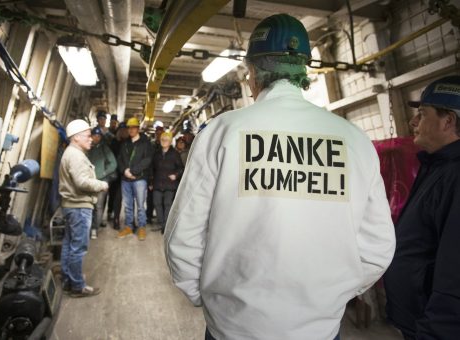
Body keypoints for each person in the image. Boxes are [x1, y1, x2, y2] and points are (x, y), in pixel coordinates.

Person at [164, 14, 395, 340]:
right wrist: (330, 298)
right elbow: (378, 248)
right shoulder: (354, 140)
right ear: (304, 71)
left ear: (252, 73)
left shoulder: (222, 132)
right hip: (321, 329)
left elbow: (182, 237)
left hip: (232, 329)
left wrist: (209, 298)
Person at [384, 75, 460, 340]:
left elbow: (454, 269)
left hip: (434, 328)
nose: (413, 122)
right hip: (417, 317)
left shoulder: (455, 175)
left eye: (423, 114)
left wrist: (435, 331)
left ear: (448, 121)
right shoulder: (437, 166)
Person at [59, 119, 108, 297]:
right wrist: (101, 184)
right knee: (78, 247)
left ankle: (68, 279)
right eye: (87, 136)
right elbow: (81, 182)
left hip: (71, 205)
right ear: (76, 137)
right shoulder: (76, 155)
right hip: (79, 206)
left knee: (69, 244)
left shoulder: (71, 152)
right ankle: (77, 287)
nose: (91, 139)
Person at [117, 117, 153, 240]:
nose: (131, 130)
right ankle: (128, 226)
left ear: (138, 128)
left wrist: (133, 171)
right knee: (127, 205)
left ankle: (141, 227)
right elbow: (120, 159)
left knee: (141, 205)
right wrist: (125, 171)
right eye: (129, 128)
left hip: (140, 179)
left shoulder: (145, 143)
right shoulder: (125, 143)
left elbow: (147, 160)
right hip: (126, 179)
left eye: (133, 127)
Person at [87, 126, 117, 239]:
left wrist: (103, 173)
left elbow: (113, 164)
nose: (96, 138)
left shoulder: (105, 148)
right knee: (88, 205)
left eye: (99, 136)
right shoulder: (87, 148)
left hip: (101, 182)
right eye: (94, 135)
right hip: (88, 181)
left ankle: (95, 228)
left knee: (98, 206)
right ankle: (87, 227)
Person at [151, 131, 183, 233]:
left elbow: (181, 168)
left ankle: (166, 226)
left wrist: (176, 175)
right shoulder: (156, 154)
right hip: (157, 183)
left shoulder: (175, 154)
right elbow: (152, 169)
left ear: (170, 142)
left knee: (167, 204)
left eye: (166, 140)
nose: (164, 141)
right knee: (157, 203)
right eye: (162, 139)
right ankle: (162, 224)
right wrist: (150, 182)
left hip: (170, 184)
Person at [108, 121, 129, 229]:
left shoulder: (129, 143)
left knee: (118, 196)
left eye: (125, 130)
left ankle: (116, 218)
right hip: (114, 173)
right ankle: (109, 212)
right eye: (121, 130)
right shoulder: (114, 142)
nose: (123, 132)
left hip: (124, 173)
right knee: (112, 194)